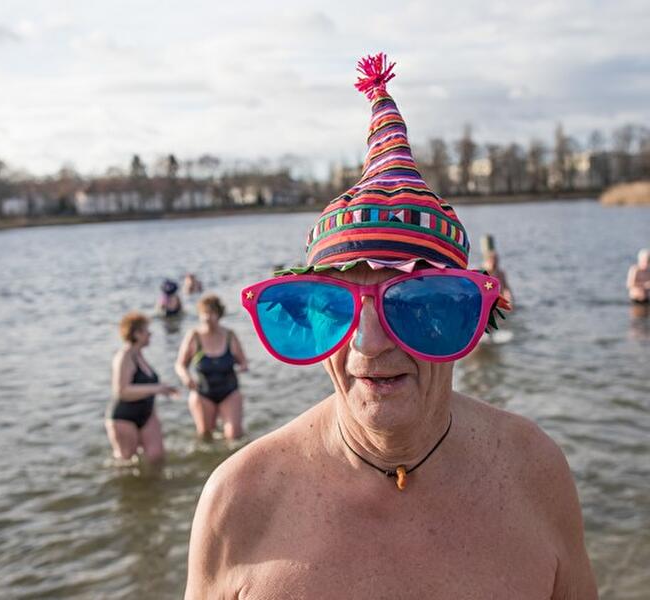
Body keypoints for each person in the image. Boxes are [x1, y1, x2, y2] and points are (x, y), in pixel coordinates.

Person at [186, 53, 596, 598]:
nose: (369, 343)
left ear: (467, 315)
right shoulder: (239, 501)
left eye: (414, 304)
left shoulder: (534, 472)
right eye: (336, 306)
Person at [105, 311, 177, 463]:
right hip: (124, 417)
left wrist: (161, 388)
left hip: (146, 414)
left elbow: (144, 385)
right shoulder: (124, 356)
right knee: (126, 462)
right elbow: (121, 391)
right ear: (136, 334)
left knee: (157, 457)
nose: (150, 334)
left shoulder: (138, 355)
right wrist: (156, 389)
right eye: (147, 331)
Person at [175, 294, 248, 440]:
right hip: (203, 393)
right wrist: (186, 377)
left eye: (212, 313)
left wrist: (242, 368)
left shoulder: (229, 336)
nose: (208, 317)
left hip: (229, 391)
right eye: (204, 313)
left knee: (234, 434)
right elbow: (180, 365)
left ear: (219, 315)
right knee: (205, 434)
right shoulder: (194, 336)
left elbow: (243, 362)